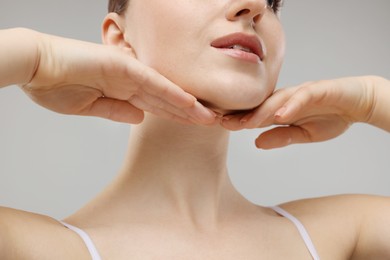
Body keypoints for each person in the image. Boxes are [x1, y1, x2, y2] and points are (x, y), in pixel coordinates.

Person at [0, 0, 389, 259]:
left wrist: (372, 100)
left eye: (273, 2)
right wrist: (34, 57)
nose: (253, 5)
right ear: (120, 38)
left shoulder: (337, 235)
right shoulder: (43, 249)